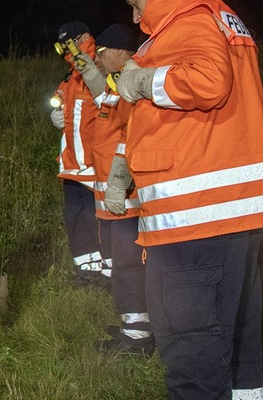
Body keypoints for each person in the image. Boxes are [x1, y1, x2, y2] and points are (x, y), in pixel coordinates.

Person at [118, 0, 263, 398]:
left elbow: (209, 81)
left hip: (192, 221)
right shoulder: (218, 17)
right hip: (231, 215)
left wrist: (143, 81)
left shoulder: (187, 18)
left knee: (192, 352)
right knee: (242, 344)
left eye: (135, 5)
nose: (135, 17)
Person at [81, 23, 154, 355]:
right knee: (121, 264)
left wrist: (118, 182)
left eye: (102, 52)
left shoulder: (130, 86)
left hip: (126, 198)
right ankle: (132, 324)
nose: (98, 58)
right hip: (113, 199)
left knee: (128, 265)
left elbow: (129, 138)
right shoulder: (116, 84)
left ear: (123, 52)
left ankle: (139, 335)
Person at [49, 21, 111, 288]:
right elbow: (62, 102)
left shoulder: (100, 66)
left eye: (70, 42)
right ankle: (87, 270)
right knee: (75, 219)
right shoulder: (70, 75)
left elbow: (110, 102)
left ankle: (110, 271)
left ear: (85, 36)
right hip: (72, 164)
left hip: (95, 163)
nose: (67, 49)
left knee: (97, 218)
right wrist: (55, 115)